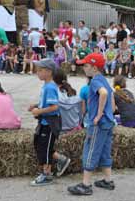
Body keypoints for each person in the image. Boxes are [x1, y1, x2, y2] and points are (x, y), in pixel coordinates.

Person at [68, 53, 116, 195]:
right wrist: (109, 113)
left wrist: (99, 114)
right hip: (108, 122)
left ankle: (85, 185)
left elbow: (104, 94)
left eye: (86, 65)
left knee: (90, 150)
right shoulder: (104, 79)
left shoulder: (95, 81)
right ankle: (108, 181)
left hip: (99, 124)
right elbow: (111, 97)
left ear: (94, 68)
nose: (83, 68)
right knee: (104, 151)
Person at [29, 59, 65, 186]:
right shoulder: (46, 85)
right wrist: (36, 105)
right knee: (40, 144)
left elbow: (55, 107)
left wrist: (39, 111)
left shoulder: (50, 87)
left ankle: (47, 175)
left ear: (49, 72)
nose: (37, 73)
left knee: (45, 148)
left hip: (50, 123)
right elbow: (46, 103)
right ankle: (61, 160)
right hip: (44, 121)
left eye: (39, 70)